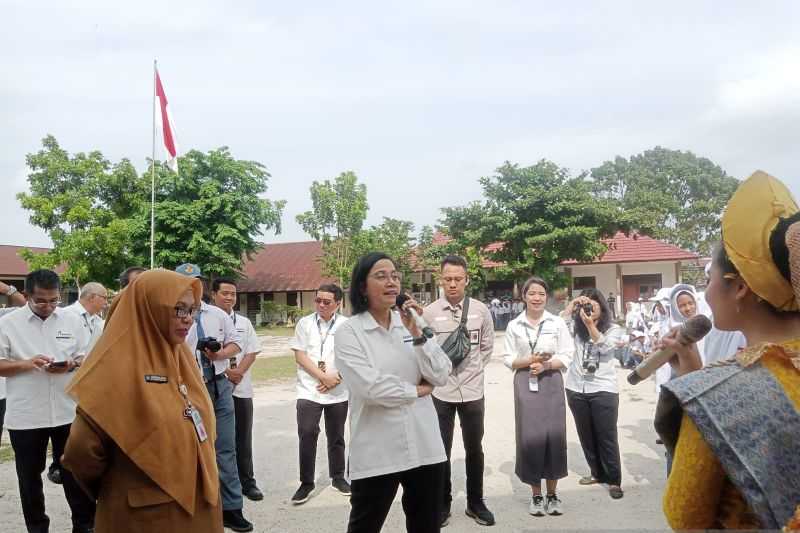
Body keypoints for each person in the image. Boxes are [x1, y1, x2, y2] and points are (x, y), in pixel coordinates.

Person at [658, 171, 800, 530]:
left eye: (708, 281)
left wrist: (697, 390)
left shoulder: (718, 395)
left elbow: (684, 514)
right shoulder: (715, 387)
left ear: (738, 288)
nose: (704, 295)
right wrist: (694, 371)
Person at [62, 269, 222, 532]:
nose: (188, 320)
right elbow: (81, 453)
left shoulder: (180, 357)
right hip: (145, 518)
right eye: (178, 309)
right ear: (148, 309)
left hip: (201, 510)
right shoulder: (114, 370)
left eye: (191, 310)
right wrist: (118, 488)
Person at [334, 252, 452, 533]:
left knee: (427, 525)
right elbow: (371, 387)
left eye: (395, 276)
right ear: (362, 286)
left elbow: (441, 373)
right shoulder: (349, 332)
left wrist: (419, 337)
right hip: (378, 449)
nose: (392, 282)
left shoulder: (411, 324)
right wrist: (417, 390)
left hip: (425, 446)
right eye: (381, 275)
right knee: (365, 525)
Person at [0, 269, 95, 533]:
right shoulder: (8, 323)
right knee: (29, 478)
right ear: (28, 295)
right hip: (26, 415)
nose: (49, 306)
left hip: (67, 411)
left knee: (75, 472)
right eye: (41, 300)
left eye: (54, 300)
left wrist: (71, 364)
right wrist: (26, 364)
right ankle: (37, 527)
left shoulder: (71, 320)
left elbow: (85, 356)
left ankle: (84, 525)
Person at [176, 263, 252, 533]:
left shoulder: (217, 314)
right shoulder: (170, 314)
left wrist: (219, 354)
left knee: (226, 448)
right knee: (189, 450)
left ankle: (232, 509)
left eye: (196, 281)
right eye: (185, 281)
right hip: (187, 387)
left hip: (219, 387)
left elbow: (236, 344)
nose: (191, 287)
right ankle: (194, 508)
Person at [422, 255, 495, 526]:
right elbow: (425, 352)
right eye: (448, 279)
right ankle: (442, 504)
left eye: (458, 279)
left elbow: (486, 347)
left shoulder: (481, 310)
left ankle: (476, 503)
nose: (453, 284)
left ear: (467, 280)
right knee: (441, 450)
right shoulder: (429, 313)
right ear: (441, 280)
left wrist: (473, 370)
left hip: (473, 392)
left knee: (474, 448)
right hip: (441, 393)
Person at [503, 276, 574, 517]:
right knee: (531, 436)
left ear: (547, 297)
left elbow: (568, 353)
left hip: (551, 378)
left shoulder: (556, 323)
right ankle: (535, 495)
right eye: (531, 293)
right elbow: (508, 358)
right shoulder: (515, 325)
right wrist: (530, 361)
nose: (536, 298)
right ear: (523, 296)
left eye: (541, 294)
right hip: (525, 381)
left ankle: (553, 494)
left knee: (554, 435)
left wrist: (547, 365)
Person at [288, 283, 350, 504]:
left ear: (338, 303)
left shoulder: (346, 325)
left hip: (338, 390)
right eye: (318, 300)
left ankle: (338, 477)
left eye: (327, 301)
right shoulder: (304, 324)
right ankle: (306, 483)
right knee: (307, 433)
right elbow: (300, 356)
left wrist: (336, 378)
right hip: (309, 389)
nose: (321, 305)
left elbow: (352, 357)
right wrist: (322, 377)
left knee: (336, 436)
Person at [564, 289, 627, 500]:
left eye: (594, 305)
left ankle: (614, 480)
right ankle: (596, 473)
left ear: (602, 306)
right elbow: (555, 326)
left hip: (603, 389)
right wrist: (571, 307)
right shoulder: (574, 327)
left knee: (606, 437)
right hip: (575, 388)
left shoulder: (613, 329)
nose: (589, 309)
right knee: (586, 435)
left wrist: (590, 325)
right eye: (586, 306)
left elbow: (606, 348)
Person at [211, 278, 264, 502]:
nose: (230, 297)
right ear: (214, 295)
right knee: (219, 440)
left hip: (241, 389)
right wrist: (225, 374)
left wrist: (238, 373)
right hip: (215, 388)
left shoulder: (244, 322)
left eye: (233, 294)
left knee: (243, 438)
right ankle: (217, 486)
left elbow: (251, 351)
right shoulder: (205, 320)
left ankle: (247, 482)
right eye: (225, 293)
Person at [66, 282, 108, 353]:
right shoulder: (66, 315)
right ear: (92, 297)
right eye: (105, 298)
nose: (106, 302)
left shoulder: (98, 321)